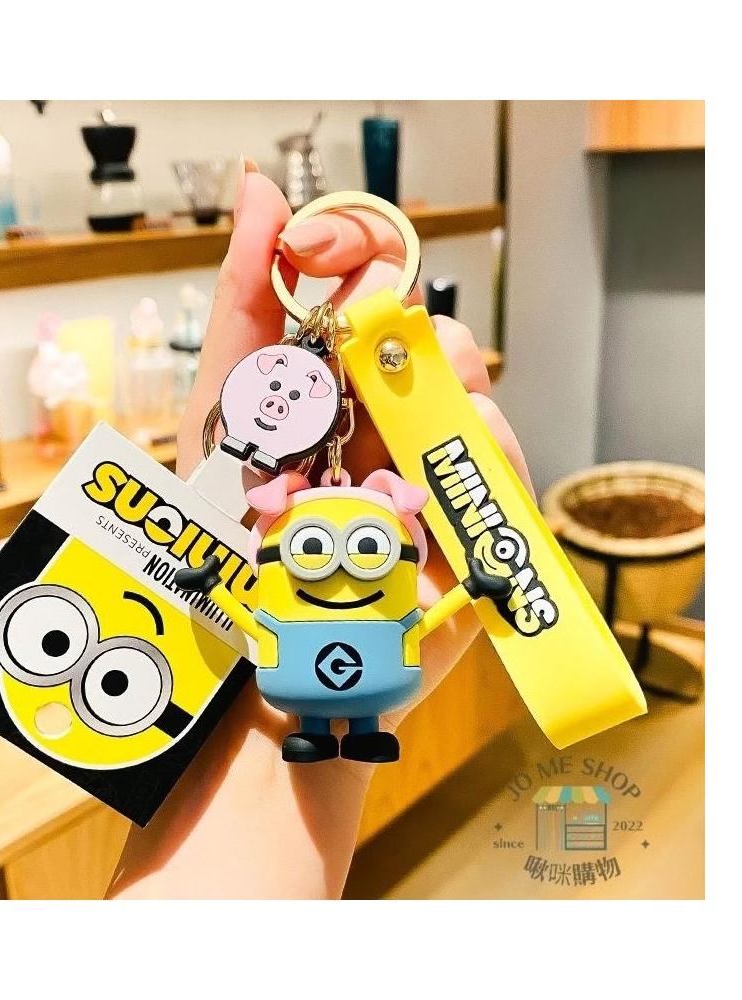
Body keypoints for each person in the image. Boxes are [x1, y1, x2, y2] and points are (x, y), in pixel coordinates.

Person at [108, 159, 533, 899]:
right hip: (296, 684)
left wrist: (470, 587)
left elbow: (415, 611)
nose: (337, 565)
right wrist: (210, 573)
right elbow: (249, 612)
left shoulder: (361, 579)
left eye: (367, 549)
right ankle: (322, 737)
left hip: (332, 674)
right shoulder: (269, 534)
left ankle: (342, 737)